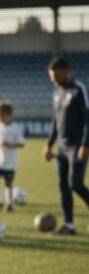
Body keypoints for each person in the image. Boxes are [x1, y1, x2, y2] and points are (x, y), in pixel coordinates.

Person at [43, 57, 89, 234]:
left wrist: (85, 145)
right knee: (63, 185)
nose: (53, 79)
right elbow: (55, 121)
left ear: (66, 71)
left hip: (77, 145)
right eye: (51, 77)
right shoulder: (56, 93)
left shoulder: (79, 89)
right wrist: (49, 145)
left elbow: (88, 119)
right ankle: (69, 225)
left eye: (55, 76)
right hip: (61, 147)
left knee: (75, 183)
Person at [0, 101, 25, 212]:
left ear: (8, 115)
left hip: (10, 161)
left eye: (0, 115)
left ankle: (9, 204)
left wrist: (10, 145)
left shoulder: (16, 128)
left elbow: (21, 143)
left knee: (8, 182)